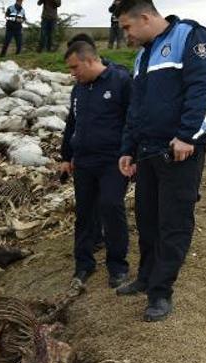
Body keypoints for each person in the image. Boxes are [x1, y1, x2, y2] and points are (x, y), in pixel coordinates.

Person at [115, 0, 206, 322]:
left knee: (173, 223)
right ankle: (146, 276)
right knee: (147, 219)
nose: (126, 35)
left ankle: (161, 292)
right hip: (148, 153)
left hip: (180, 152)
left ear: (144, 17)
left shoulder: (190, 36)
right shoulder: (143, 55)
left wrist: (189, 136)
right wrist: (127, 148)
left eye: (127, 28)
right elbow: (137, 108)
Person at [61, 41, 132, 291]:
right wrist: (65, 156)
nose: (72, 73)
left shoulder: (121, 82)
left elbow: (131, 121)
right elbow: (72, 124)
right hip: (84, 161)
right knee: (84, 213)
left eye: (75, 67)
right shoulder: (78, 89)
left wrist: (130, 153)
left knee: (111, 207)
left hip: (113, 160)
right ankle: (84, 264)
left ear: (90, 60)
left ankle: (118, 266)